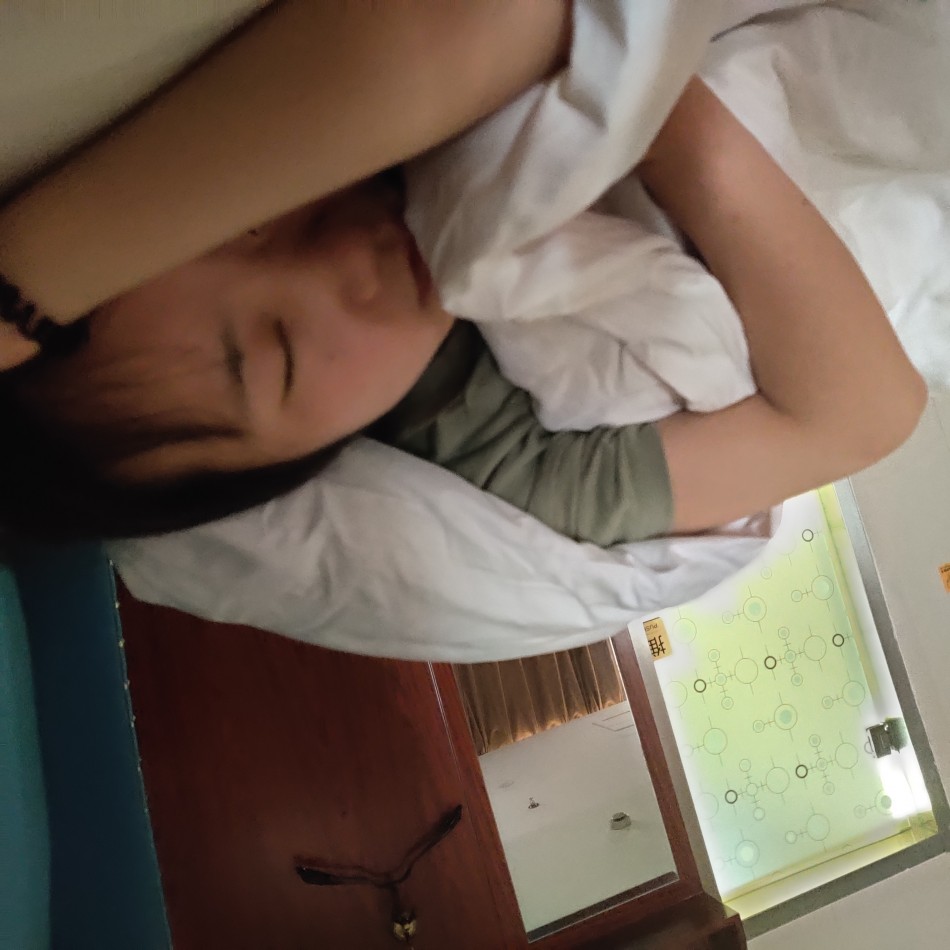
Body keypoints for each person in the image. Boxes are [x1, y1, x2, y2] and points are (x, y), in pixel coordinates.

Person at [0, 4, 926, 544]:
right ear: (283, 468)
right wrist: (649, 118)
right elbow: (862, 412)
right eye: (282, 353)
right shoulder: (497, 451)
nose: (344, 257)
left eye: (246, 220)